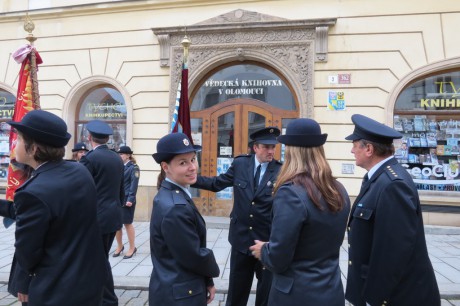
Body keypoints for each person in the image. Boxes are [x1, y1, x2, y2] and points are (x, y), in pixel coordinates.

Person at [4, 109, 107, 305]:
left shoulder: (34, 192)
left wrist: (23, 282)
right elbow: (50, 212)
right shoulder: (78, 171)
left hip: (55, 289)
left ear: (33, 149)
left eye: (18, 139)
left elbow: (27, 252)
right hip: (88, 280)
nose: (14, 144)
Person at [250, 118, 350, 306]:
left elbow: (279, 258)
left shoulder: (291, 193)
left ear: (292, 151)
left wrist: (264, 250)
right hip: (331, 292)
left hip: (295, 295)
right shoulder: (339, 189)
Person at [344, 114, 440, 306]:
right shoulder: (378, 178)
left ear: (369, 149)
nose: (352, 150)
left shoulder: (392, 185)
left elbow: (393, 252)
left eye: (355, 145)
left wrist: (375, 299)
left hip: (397, 296)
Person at [192, 127, 282, 306]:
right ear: (255, 148)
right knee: (236, 293)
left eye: (273, 147)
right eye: (266, 147)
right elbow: (218, 183)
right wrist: (193, 179)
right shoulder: (241, 164)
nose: (271, 151)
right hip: (241, 240)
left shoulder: (281, 171)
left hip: (266, 242)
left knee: (266, 295)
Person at [150, 132, 220, 305]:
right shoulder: (176, 207)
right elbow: (193, 255)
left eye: (193, 159)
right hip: (181, 295)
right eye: (183, 162)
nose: (193, 167)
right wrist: (212, 273)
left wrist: (207, 280)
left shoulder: (173, 194)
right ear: (166, 167)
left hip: (175, 286)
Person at [80, 120, 125, 306]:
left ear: (89, 138)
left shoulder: (89, 159)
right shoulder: (117, 157)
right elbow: (121, 190)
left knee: (98, 260)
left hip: (95, 217)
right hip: (113, 215)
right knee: (101, 257)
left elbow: (81, 189)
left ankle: (107, 299)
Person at [114, 145, 140, 259]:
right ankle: (120, 246)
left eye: (122, 154)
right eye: (119, 154)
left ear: (128, 155)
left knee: (127, 223)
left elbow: (134, 185)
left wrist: (130, 199)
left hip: (127, 199)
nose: (120, 156)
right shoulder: (119, 166)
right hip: (118, 199)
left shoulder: (134, 168)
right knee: (117, 224)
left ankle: (132, 247)